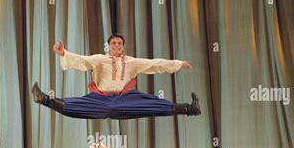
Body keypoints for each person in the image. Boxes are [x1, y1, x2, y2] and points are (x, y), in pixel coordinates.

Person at [32, 34, 201, 119]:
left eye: (120, 43)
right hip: (100, 99)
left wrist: (178, 63)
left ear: (123, 46)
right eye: (114, 43)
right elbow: (81, 60)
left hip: (124, 98)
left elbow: (155, 64)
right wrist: (63, 53)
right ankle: (44, 99)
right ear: (109, 46)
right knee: (74, 105)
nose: (117, 46)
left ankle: (190, 109)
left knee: (152, 103)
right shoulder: (100, 59)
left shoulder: (131, 62)